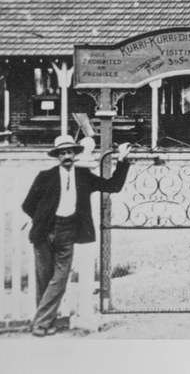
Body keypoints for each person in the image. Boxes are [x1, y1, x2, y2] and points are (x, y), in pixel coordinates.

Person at [22, 135, 133, 336]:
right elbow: (28, 205)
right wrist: (43, 221)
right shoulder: (45, 177)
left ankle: (39, 323)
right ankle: (47, 323)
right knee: (44, 279)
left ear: (75, 154)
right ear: (57, 156)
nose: (66, 156)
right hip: (44, 232)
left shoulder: (84, 176)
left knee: (60, 279)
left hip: (68, 231)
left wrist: (122, 160)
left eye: (69, 152)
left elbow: (113, 186)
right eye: (62, 153)